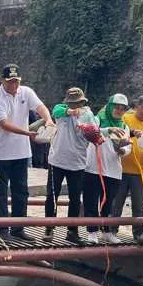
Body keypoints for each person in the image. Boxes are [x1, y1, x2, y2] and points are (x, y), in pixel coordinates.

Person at [0, 64, 54, 242]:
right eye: (10, 81)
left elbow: (40, 107)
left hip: (21, 152)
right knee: (0, 192)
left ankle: (18, 227)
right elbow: (4, 124)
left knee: (21, 191)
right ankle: (2, 230)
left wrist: (47, 120)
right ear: (2, 80)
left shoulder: (26, 92)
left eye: (16, 81)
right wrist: (28, 133)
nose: (14, 85)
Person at [43, 88, 93, 242]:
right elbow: (56, 111)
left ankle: (72, 231)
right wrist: (70, 112)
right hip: (57, 160)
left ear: (83, 102)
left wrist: (91, 132)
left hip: (77, 162)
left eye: (78, 102)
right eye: (72, 103)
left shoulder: (89, 115)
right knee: (52, 196)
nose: (75, 105)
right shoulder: (61, 111)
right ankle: (49, 228)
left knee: (75, 198)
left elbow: (94, 134)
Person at [110, 95, 143, 244]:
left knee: (139, 204)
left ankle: (139, 233)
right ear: (136, 107)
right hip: (120, 168)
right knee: (116, 202)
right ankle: (112, 230)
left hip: (141, 170)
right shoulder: (125, 118)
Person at [82, 94, 131, 244]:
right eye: (116, 107)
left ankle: (107, 231)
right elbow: (91, 131)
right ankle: (92, 232)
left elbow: (128, 146)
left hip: (113, 169)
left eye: (122, 108)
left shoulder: (124, 126)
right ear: (110, 106)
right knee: (91, 200)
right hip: (93, 167)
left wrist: (122, 150)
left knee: (109, 202)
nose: (119, 110)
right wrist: (108, 130)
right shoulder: (98, 119)